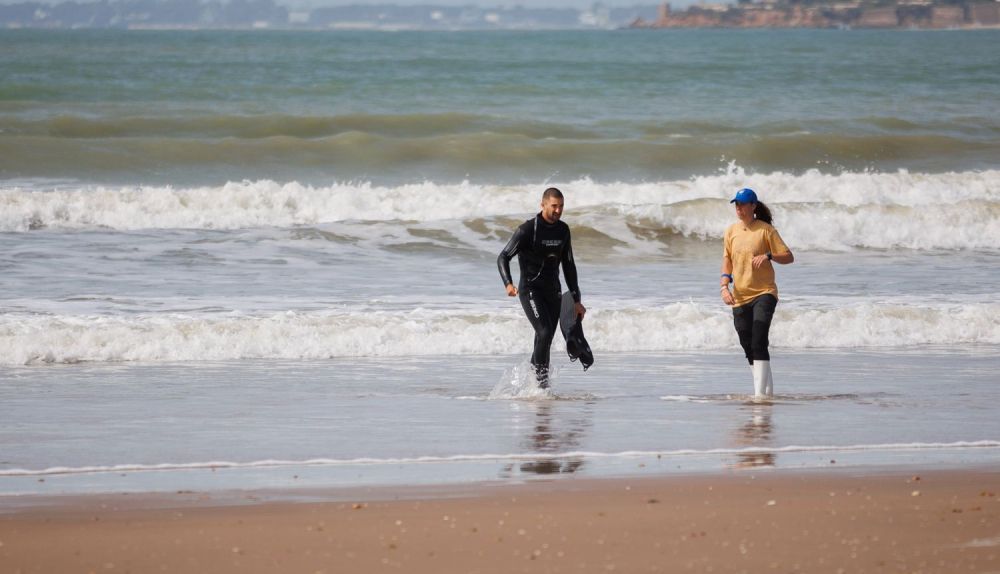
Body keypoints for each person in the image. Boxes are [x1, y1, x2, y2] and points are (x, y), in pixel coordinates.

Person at [497, 187, 586, 388]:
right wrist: (508, 284)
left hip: (553, 292)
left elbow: (569, 266)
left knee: (544, 337)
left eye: (561, 206)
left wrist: (576, 300)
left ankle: (534, 383)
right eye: (554, 206)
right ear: (543, 204)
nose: (558, 210)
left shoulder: (563, 230)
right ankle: (541, 385)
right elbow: (503, 257)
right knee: (545, 332)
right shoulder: (528, 230)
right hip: (530, 290)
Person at [720, 188, 794, 400]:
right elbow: (727, 259)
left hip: (764, 292)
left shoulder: (766, 230)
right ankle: (766, 391)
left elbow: (788, 257)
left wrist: (769, 256)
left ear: (753, 206)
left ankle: (759, 396)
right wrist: (724, 285)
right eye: (737, 205)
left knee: (758, 340)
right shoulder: (731, 231)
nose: (739, 208)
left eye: (743, 204)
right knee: (746, 343)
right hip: (740, 295)